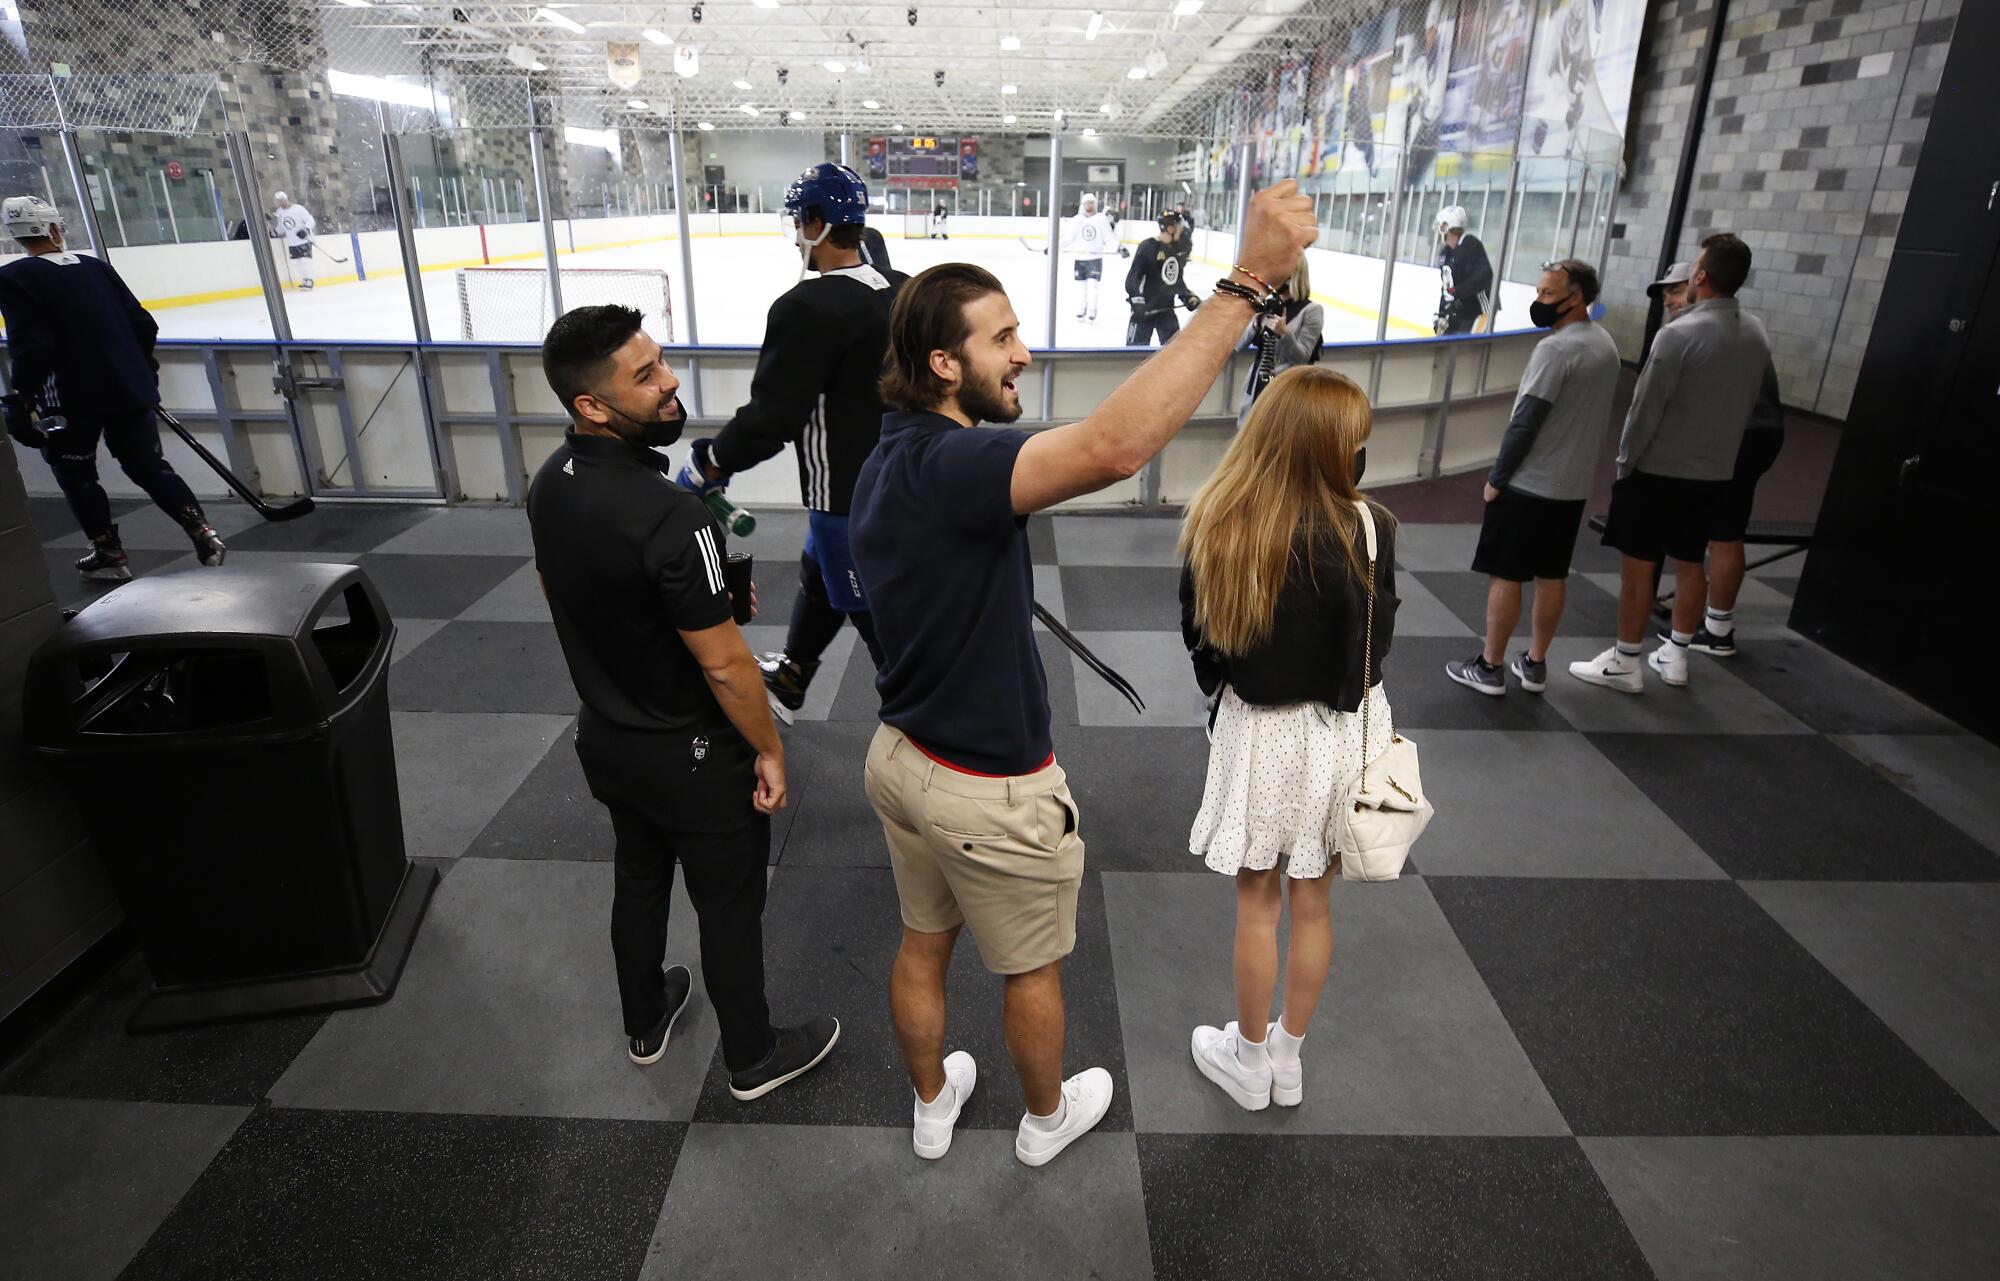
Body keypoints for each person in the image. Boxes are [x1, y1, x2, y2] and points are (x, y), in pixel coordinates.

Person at [849, 180, 1318, 1166]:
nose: (1023, 353)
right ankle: (1044, 1120)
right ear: (943, 364)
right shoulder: (957, 470)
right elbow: (1114, 447)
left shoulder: (889, 453)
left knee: (921, 940)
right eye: (1001, 339)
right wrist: (1246, 283)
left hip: (899, 758)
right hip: (989, 788)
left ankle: (933, 1107)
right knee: (1030, 968)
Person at [528, 304, 840, 1098]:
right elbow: (731, 668)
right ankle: (753, 1055)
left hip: (607, 740)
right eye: (646, 376)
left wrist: (698, 594)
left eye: (660, 361)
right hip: (693, 757)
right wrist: (769, 746)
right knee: (728, 904)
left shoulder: (548, 484)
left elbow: (563, 585)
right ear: (591, 406)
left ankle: (645, 1018)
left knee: (638, 876)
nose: (671, 384)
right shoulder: (669, 513)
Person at [1179, 365, 1397, 1112]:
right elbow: (1377, 644)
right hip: (1342, 731)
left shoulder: (1220, 519)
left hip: (1260, 732)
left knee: (1256, 901)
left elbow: (1202, 643)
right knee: (1314, 903)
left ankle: (1244, 1058)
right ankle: (1287, 1055)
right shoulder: (1370, 526)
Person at [680, 163, 907, 722]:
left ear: (817, 223)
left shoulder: (805, 307)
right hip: (903, 480)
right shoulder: (902, 289)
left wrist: (711, 462)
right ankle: (794, 674)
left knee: (884, 630)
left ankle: (930, 735)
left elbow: (773, 418)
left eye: (800, 221)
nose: (798, 233)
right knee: (819, 572)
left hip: (846, 499)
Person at [1571, 233, 1773, 693]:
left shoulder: (1678, 334)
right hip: (1716, 473)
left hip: (1659, 473)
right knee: (1689, 563)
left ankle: (1626, 660)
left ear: (1701, 275)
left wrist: (1625, 465)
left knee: (1639, 568)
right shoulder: (1756, 332)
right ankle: (1677, 653)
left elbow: (1645, 412)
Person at [0, 195, 226, 577]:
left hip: (71, 398)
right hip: (127, 387)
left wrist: (22, 397)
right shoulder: (95, 267)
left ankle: (108, 550)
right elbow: (143, 324)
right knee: (148, 465)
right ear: (52, 228)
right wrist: (142, 370)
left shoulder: (14, 277)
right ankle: (202, 529)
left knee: (76, 473)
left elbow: (34, 347)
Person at [1445, 259, 1619, 696]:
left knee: (1507, 574)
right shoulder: (1606, 346)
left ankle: (1490, 666)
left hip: (1529, 485)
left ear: (1575, 297)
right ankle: (1536, 663)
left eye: (1546, 294)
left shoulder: (1555, 350)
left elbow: (1526, 421)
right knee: (1552, 574)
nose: (1538, 301)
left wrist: (1497, 479)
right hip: (1572, 488)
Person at [1653, 263, 1784, 658]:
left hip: (1737, 439)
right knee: (1723, 531)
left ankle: (1712, 630)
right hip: (1755, 434)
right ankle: (1715, 625)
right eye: (1665, 297)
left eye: (1675, 292)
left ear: (1698, 284)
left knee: (1719, 535)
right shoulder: (1745, 325)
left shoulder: (1700, 331)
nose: (1669, 302)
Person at [1238, 257, 1323, 423]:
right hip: (1256, 386)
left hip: (1285, 391)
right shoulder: (1268, 306)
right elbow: (1237, 346)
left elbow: (1302, 358)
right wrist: (1255, 323)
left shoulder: (1311, 311)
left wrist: (1284, 333)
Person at [1122, 211, 1200, 347]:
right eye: (1179, 226)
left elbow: (1175, 280)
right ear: (1170, 228)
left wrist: (1187, 296)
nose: (1182, 229)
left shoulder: (1177, 250)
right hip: (1145, 310)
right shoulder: (1148, 247)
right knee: (1133, 355)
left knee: (1174, 353)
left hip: (1166, 311)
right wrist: (1138, 302)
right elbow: (1133, 278)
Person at [1052, 192, 1118, 323]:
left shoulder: (1101, 219)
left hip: (1095, 258)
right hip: (1080, 258)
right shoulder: (1077, 220)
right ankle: (1082, 308)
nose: (1089, 205)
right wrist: (1054, 247)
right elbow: (1068, 239)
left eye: (1091, 203)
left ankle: (1092, 309)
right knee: (1081, 287)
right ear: (1083, 205)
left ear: (1094, 204)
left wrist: (1118, 247)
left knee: (1093, 285)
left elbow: (1109, 237)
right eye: (1086, 203)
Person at [1434, 205, 1493, 334]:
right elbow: (1447, 288)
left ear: (1448, 226)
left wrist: (1457, 291)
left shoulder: (1470, 245)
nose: (1439, 230)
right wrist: (1442, 313)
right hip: (1458, 313)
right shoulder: (1445, 253)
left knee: (1469, 350)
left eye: (1441, 226)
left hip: (1479, 311)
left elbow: (1484, 275)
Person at [271, 191, 317, 291]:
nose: (281, 202)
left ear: (286, 198)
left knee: (305, 261)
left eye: (282, 199)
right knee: (297, 263)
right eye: (278, 201)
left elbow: (310, 220)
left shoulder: (298, 209)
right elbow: (282, 227)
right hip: (292, 242)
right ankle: (304, 280)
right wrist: (275, 232)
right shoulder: (279, 212)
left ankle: (310, 280)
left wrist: (305, 229)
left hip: (303, 240)